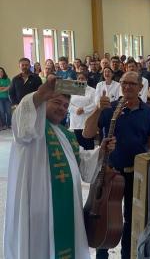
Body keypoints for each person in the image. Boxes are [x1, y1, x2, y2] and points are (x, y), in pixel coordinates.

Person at [4, 75, 116, 259]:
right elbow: (21, 119)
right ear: (44, 102)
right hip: (39, 207)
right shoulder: (34, 128)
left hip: (68, 209)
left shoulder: (66, 134)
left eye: (65, 106)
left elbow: (83, 166)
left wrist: (101, 150)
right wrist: (40, 93)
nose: (62, 109)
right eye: (57, 102)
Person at [83, 71, 150, 259]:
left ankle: (126, 255)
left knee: (131, 220)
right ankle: (101, 254)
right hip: (109, 174)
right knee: (104, 216)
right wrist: (98, 109)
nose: (127, 87)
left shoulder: (147, 112)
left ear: (140, 87)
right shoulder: (110, 108)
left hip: (134, 174)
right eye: (124, 83)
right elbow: (87, 133)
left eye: (132, 84)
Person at [69, 72, 96, 150]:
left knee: (88, 145)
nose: (80, 80)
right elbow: (67, 103)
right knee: (78, 145)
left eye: (82, 78)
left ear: (86, 80)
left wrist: (84, 109)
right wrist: (76, 110)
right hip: (75, 120)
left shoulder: (92, 90)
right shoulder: (72, 89)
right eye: (79, 78)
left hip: (87, 120)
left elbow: (95, 104)